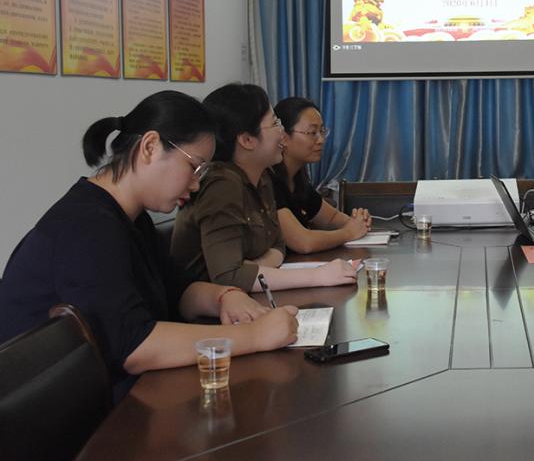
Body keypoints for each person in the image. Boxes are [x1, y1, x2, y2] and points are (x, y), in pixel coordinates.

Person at [0, 91, 299, 402]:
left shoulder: (131, 218)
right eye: (195, 167)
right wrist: (254, 336)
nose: (195, 184)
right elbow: (134, 346)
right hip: (61, 414)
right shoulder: (87, 226)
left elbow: (177, 290)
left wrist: (224, 296)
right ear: (150, 147)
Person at [171, 84, 357, 292]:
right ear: (247, 140)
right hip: (209, 306)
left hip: (251, 296)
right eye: (275, 123)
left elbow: (278, 246)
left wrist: (251, 268)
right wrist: (317, 276)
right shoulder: (221, 185)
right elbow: (229, 277)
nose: (282, 133)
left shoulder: (263, 178)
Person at [271, 97, 371, 253]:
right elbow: (304, 242)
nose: (321, 140)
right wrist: (349, 233)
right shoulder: (269, 181)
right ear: (283, 137)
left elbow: (331, 218)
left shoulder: (298, 179)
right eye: (312, 133)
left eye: (322, 131)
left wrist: (359, 221)